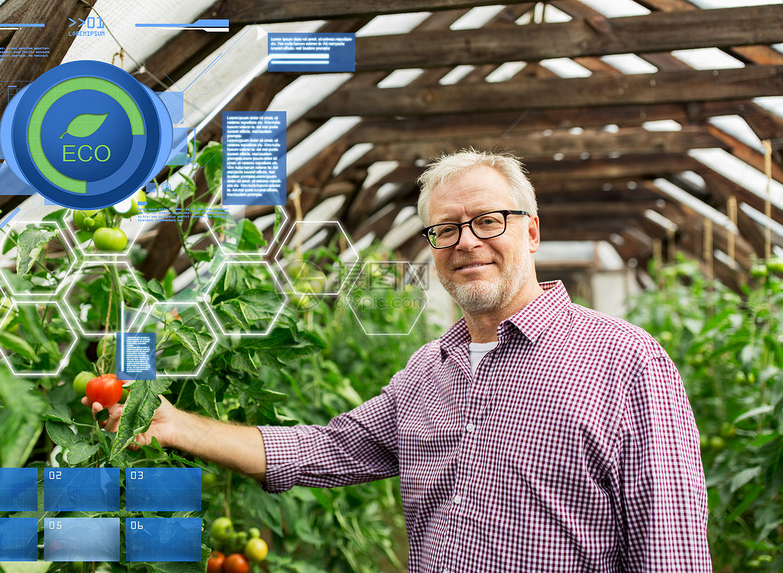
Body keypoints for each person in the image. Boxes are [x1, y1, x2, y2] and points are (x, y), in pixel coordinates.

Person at [86, 149, 712, 572]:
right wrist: (173, 425)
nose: (467, 243)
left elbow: (671, 548)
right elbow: (322, 451)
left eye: (488, 221)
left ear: (531, 232)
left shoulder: (623, 361)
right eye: (446, 229)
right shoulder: (427, 372)